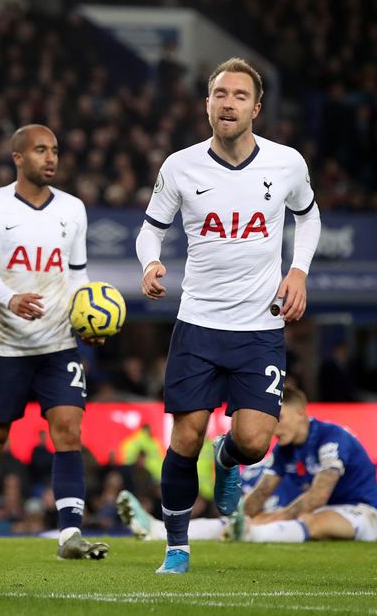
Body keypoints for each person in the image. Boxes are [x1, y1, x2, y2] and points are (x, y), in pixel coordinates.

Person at [135, 57, 322, 573]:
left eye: (240, 95)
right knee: (185, 434)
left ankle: (227, 459)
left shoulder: (286, 163)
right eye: (220, 93)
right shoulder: (180, 166)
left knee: (253, 441)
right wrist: (150, 261)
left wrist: (299, 271)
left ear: (256, 108)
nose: (228, 102)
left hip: (260, 327)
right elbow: (150, 228)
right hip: (198, 323)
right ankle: (177, 546)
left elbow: (309, 218)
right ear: (208, 104)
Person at [0, 124, 108, 561]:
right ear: (18, 158)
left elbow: (77, 275)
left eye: (55, 151)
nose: (51, 158)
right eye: (41, 150)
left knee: (68, 431)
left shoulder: (74, 209)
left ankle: (70, 536)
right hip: (5, 347)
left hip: (58, 344)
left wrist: (87, 317)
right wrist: (11, 298)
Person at [229, 385, 377, 542]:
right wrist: (238, 519)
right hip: (321, 511)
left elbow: (318, 496)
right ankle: (238, 531)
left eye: (280, 418)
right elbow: (262, 492)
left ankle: (254, 536)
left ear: (300, 412)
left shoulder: (331, 437)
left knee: (309, 521)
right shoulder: (284, 449)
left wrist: (276, 518)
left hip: (360, 511)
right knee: (288, 516)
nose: (273, 428)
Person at [116, 454, 302, 541]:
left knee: (318, 519)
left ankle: (247, 531)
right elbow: (246, 501)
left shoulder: (322, 444)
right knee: (227, 523)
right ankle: (156, 529)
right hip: (270, 516)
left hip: (308, 517)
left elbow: (317, 498)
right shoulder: (265, 465)